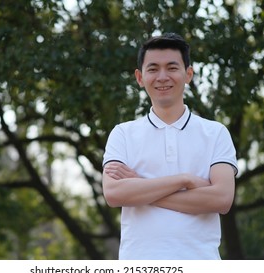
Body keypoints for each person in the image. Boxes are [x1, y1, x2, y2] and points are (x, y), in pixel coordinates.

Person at [102, 32, 238, 260]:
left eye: (172, 68)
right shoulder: (122, 134)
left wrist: (141, 188)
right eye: (153, 69)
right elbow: (114, 193)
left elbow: (222, 199)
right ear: (139, 77)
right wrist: (184, 180)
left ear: (188, 74)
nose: (162, 76)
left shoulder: (216, 133)